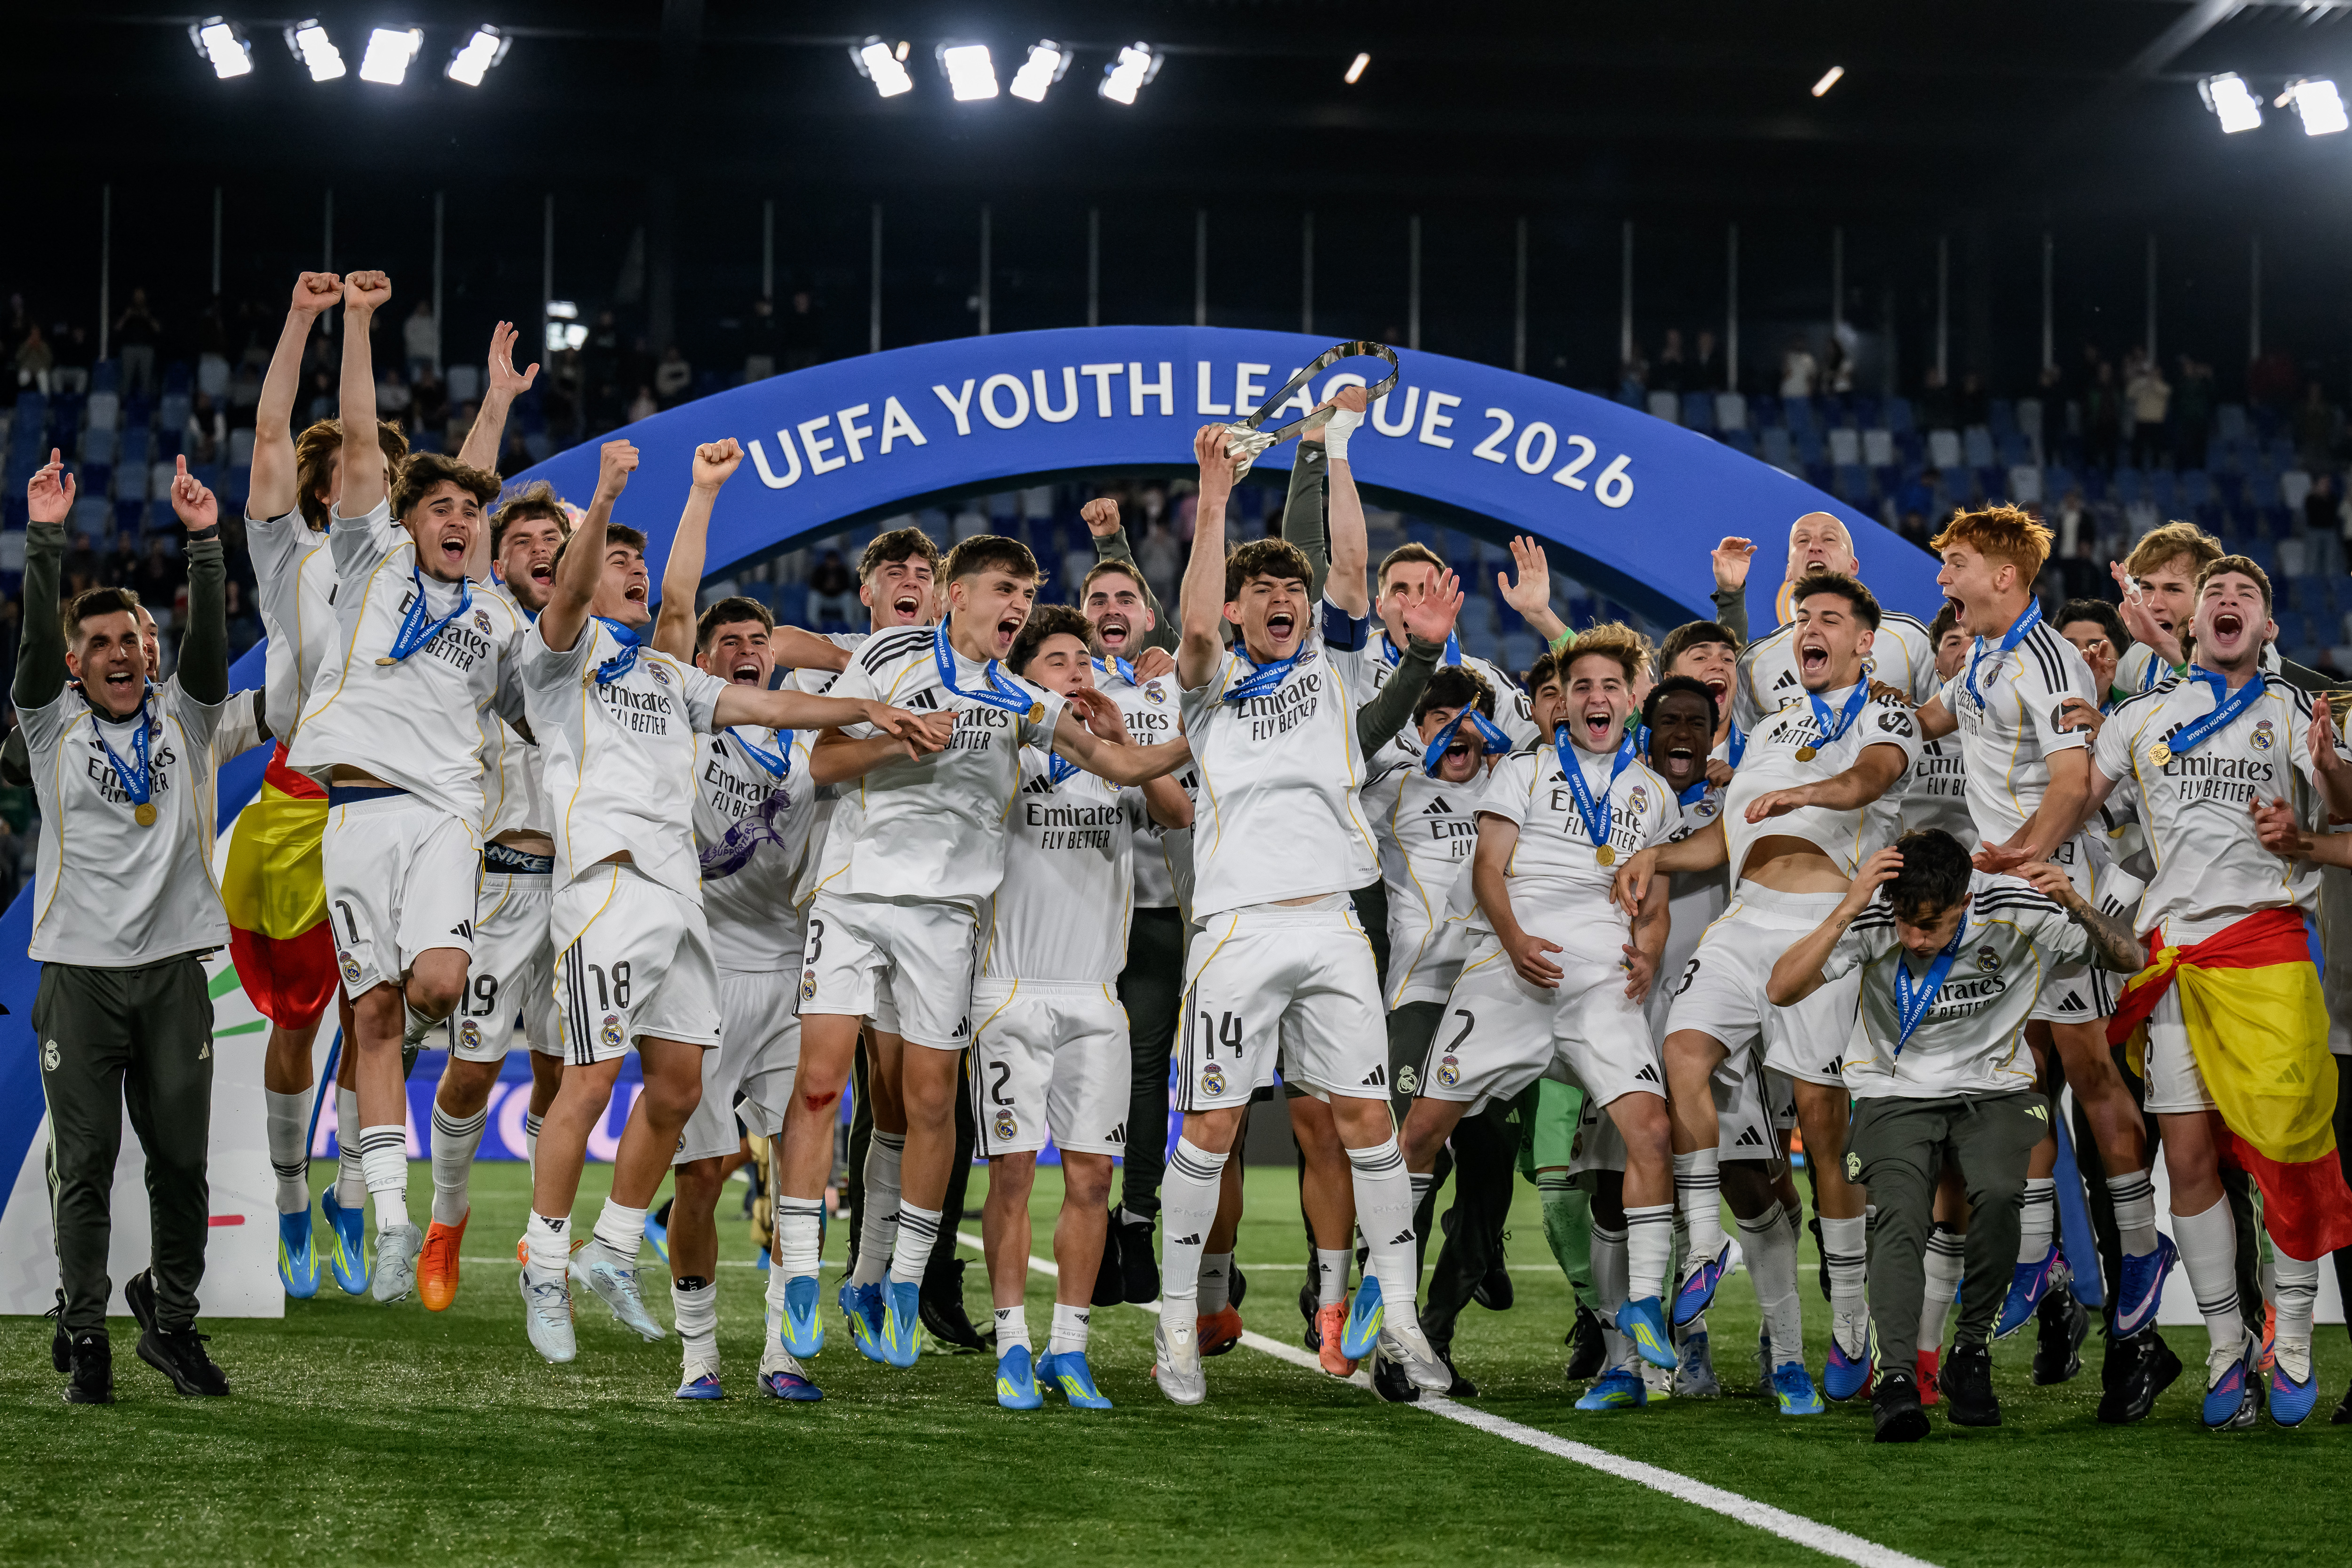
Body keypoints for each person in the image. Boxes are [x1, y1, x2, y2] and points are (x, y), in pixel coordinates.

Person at [513, 436, 937, 1371]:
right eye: (616, 562)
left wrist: (879, 712)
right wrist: (610, 494)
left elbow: (780, 709)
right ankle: (544, 1262)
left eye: (636, 560)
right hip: (608, 882)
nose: (633, 575)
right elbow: (629, 596)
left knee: (671, 1090)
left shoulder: (679, 680)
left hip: (684, 909)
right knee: (592, 1081)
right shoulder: (558, 658)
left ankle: (615, 1247)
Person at [773, 529, 1189, 1392]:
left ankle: (900, 1280)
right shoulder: (888, 654)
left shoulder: (1018, 699)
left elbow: (1115, 761)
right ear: (955, 593)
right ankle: (800, 1275)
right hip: (854, 894)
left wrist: (1210, 728)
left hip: (950, 915)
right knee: (820, 1084)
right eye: (1003, 588)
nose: (1016, 607)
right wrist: (899, 740)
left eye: (1026, 594)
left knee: (931, 1105)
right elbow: (820, 763)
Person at [1154, 393, 1451, 1404]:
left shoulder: (1330, 667)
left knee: (1370, 1123)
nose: (1280, 593)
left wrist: (1339, 448)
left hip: (1332, 923)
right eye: (1262, 587)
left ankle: (1402, 1325)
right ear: (1239, 612)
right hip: (1236, 925)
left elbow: (1356, 571)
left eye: (1290, 581)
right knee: (1211, 1128)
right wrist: (1212, 496)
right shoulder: (1205, 685)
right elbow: (1193, 620)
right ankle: (1176, 1329)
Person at [1618, 570, 1925, 1413]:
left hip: (1827, 923)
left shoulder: (1882, 710)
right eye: (1802, 621)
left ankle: (1854, 1326)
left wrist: (1810, 792)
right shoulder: (1774, 726)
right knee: (1681, 1049)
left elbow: (1870, 777)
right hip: (1747, 919)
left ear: (1865, 639)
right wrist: (1656, 856)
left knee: (1825, 1130)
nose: (1810, 631)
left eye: (1829, 619)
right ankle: (1705, 1244)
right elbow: (1726, 833)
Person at [282, 271, 531, 1303]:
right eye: (442, 509)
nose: (461, 523)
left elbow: (468, 489)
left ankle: (388, 1183)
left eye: (473, 514)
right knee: (372, 1014)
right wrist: (354, 324)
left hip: (442, 816)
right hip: (351, 807)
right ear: (404, 514)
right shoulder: (370, 553)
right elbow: (355, 433)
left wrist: (501, 405)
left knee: (430, 986)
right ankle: (388, 1213)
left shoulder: (497, 616)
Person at [1766, 829, 2147, 1439]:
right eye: (1907, 923)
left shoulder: (2016, 911)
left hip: (1996, 1092)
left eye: (1932, 925)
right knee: (1898, 1215)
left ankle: (1969, 1352)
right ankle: (1896, 1379)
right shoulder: (1875, 913)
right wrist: (1848, 906)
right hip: (1895, 1095)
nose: (1915, 937)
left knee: (1999, 1193)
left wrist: (2075, 902)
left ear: (1966, 901)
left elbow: (2130, 958)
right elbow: (1781, 988)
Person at [2091, 555, 2352, 1427]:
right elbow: (2082, 807)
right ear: (2190, 628)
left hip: (2271, 948)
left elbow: (2346, 806)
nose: (2231, 603)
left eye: (2250, 596)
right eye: (2217, 597)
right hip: (2175, 959)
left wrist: (2328, 776)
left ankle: (2295, 1343)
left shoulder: (2296, 713)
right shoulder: (2140, 717)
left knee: (2288, 1144)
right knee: (2192, 1158)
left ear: (2270, 629)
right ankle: (2227, 1349)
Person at [1910, 507, 2165, 1394]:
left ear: (2005, 576)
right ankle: (2037, 1258)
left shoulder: (2052, 660)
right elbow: (1942, 716)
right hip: (2004, 886)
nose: (1943, 578)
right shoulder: (1981, 647)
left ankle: (2137, 1250)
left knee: (2088, 1074)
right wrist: (1881, 712)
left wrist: (2023, 857)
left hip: (2053, 883)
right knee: (2011, 1080)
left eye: (1955, 564)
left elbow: (2069, 784)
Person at [1401, 630, 1678, 1409]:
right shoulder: (1523, 769)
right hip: (1510, 969)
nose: (1595, 697)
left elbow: (1649, 898)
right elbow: (1490, 867)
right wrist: (1517, 939)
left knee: (1650, 1132)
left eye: (1608, 686)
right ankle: (1387, 1298)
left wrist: (1650, 952)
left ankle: (1644, 1305)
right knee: (1421, 1131)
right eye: (1580, 685)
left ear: (1632, 697)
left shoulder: (1653, 793)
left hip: (1601, 982)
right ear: (1563, 697)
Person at [24, 450, 233, 1403]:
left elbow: (209, 645)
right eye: (99, 640)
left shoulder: (190, 716)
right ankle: (85, 1332)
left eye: (132, 638)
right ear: (75, 662)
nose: (118, 652)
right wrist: (45, 536)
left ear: (152, 651)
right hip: (77, 972)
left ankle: (173, 1323)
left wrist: (202, 543)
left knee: (182, 1163)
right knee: (88, 1170)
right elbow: (32, 644)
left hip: (171, 973)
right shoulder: (46, 723)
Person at [973, 605, 1194, 1409]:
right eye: (1057, 659)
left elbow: (1177, 814)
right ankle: (1011, 1344)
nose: (1076, 669)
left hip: (1098, 992)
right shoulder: (999, 740)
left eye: (1082, 659)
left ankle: (1069, 1346)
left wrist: (1123, 746)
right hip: (1012, 987)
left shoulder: (1113, 760)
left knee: (1094, 1178)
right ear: (1025, 674)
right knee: (1009, 1177)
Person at [644, 453, 829, 1400]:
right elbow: (676, 608)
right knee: (708, 1171)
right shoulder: (680, 715)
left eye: (761, 639)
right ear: (705, 660)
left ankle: (782, 1352)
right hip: (699, 972)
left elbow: (869, 684)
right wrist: (703, 495)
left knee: (804, 1162)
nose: (746, 648)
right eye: (730, 641)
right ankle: (698, 1355)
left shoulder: (808, 740)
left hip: (794, 970)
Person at [415, 479, 569, 1313]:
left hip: (579, 890)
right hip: (499, 885)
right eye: (525, 542)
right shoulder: (482, 626)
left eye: (557, 539)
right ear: (495, 558)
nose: (544, 550)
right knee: (471, 1071)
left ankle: (540, 1234)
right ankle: (447, 1216)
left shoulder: (596, 641)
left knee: (561, 1070)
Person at [1733, 512, 1937, 730]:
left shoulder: (1910, 638)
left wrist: (1902, 715)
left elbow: (1951, 724)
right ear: (1789, 570)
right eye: (1803, 541)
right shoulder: (1755, 661)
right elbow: (1737, 750)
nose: (1814, 547)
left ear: (1853, 566)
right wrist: (1729, 594)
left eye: (1829, 539)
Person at [1901, 607, 1973, 844]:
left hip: (1986, 870)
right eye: (1954, 643)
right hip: (1905, 866)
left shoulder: (2020, 730)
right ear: (1937, 666)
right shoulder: (1901, 724)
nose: (1967, 652)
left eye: (1978, 642)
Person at [115, 287, 161, 399]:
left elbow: (158, 329)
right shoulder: (127, 308)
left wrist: (148, 317)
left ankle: (145, 406)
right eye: (137, 295)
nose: (139, 297)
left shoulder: (150, 309)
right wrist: (126, 316)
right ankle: (124, 406)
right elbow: (117, 328)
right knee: (126, 379)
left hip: (146, 349)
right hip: (129, 348)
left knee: (146, 380)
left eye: (141, 295)